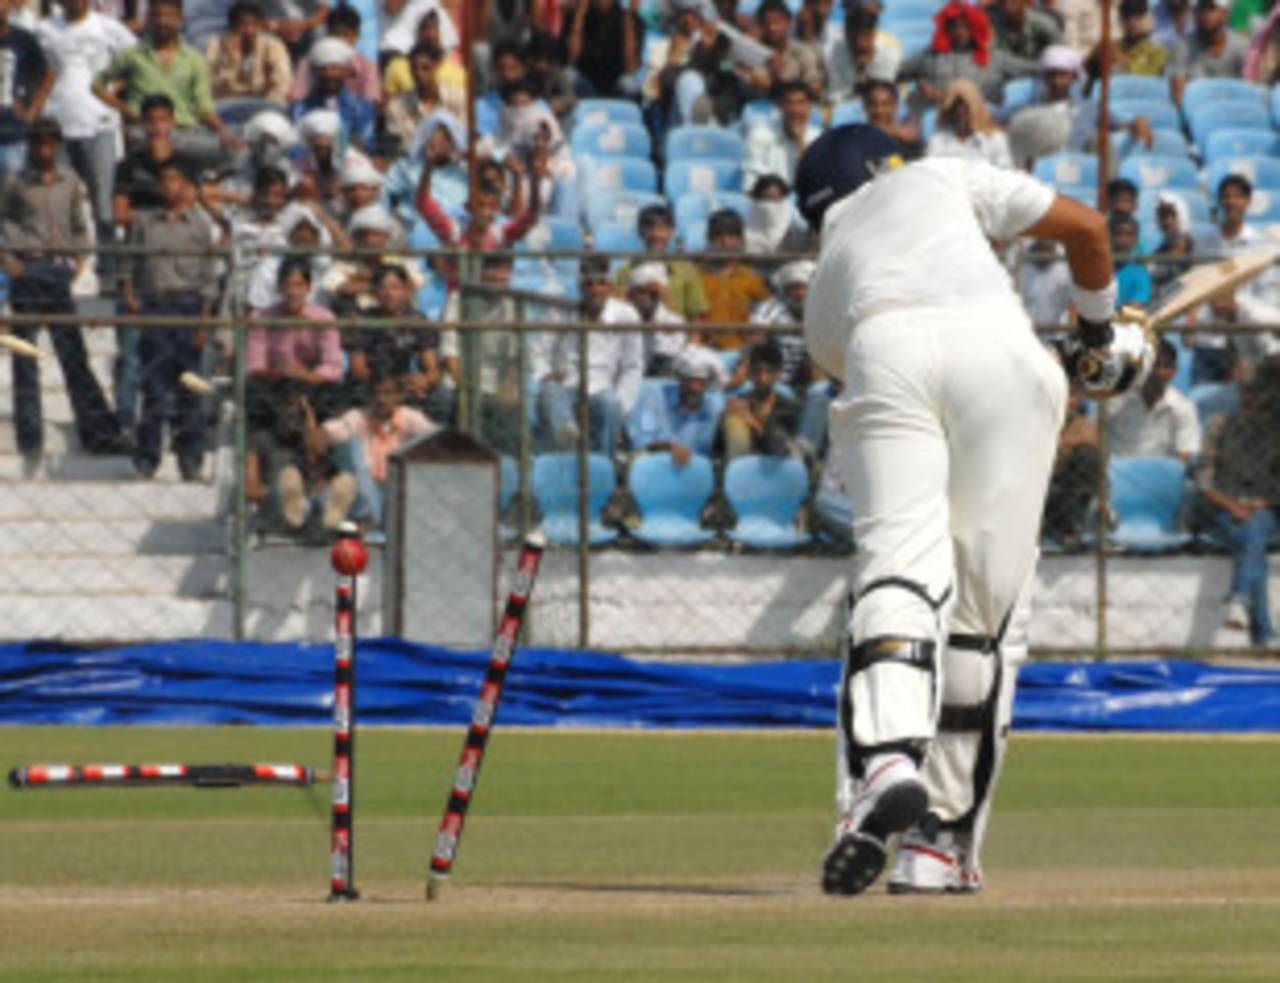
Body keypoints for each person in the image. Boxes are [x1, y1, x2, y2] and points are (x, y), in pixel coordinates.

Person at [795, 123, 1151, 895]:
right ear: (885, 162)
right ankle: (939, 847)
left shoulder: (824, 278)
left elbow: (882, 337)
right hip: (1003, 352)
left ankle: (886, 759)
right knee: (983, 619)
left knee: (899, 565)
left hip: (881, 347)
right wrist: (1100, 341)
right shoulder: (939, 175)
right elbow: (1087, 229)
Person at [0, 118, 129, 465]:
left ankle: (98, 434)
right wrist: (9, 260)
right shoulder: (16, 182)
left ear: (57, 146)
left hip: (57, 272)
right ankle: (30, 439)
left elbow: (79, 225)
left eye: (50, 144)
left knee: (73, 355)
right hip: (28, 268)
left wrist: (79, 261)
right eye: (39, 144)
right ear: (31, 146)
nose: (44, 150)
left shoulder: (70, 181)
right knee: (25, 357)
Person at [120, 157, 220, 480]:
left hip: (189, 307)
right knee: (154, 387)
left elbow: (209, 278)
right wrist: (130, 294)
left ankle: (190, 459)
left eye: (176, 180)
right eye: (164, 180)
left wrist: (204, 322)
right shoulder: (145, 224)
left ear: (188, 186)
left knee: (190, 388)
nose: (170, 187)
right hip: (156, 306)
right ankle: (147, 459)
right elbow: (129, 263)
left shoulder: (200, 226)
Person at [245, 256, 344, 533]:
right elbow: (254, 364)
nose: (293, 291)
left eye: (300, 284)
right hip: (274, 385)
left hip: (312, 385)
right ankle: (262, 478)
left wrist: (302, 375)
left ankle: (319, 468)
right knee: (255, 400)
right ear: (279, 288)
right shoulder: (262, 318)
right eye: (288, 285)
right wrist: (283, 373)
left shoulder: (323, 318)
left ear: (309, 287)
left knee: (334, 398)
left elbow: (332, 366)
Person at [92, 0, 243, 167]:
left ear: (180, 18)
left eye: (169, 16)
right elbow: (97, 85)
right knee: (158, 143)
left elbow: (204, 106)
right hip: (144, 130)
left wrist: (223, 132)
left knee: (235, 152)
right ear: (149, 18)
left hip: (184, 129)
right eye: (157, 16)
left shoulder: (193, 59)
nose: (162, 21)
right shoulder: (132, 54)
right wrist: (126, 110)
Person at [34, 0, 135, 246]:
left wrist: (113, 90)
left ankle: (108, 270)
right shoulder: (44, 29)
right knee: (59, 202)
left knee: (102, 201)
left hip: (99, 124)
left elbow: (137, 63)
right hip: (58, 126)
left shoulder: (110, 28)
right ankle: (63, 267)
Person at [1197, 358, 1280, 645]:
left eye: (1258, 393)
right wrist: (1233, 506)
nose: (1252, 399)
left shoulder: (1275, 432)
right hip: (1223, 510)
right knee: (1252, 540)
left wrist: (1262, 502)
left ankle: (1240, 601)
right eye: (1247, 392)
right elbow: (1203, 482)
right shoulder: (1218, 426)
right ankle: (1264, 632)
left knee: (1254, 529)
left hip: (1264, 510)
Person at [304, 371, 437, 535]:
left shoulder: (411, 419)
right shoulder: (358, 417)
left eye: (388, 394)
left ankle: (367, 521)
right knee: (349, 450)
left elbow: (438, 440)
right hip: (361, 489)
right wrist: (321, 454)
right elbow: (321, 436)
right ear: (368, 397)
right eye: (376, 394)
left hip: (394, 493)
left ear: (399, 396)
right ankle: (365, 516)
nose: (381, 399)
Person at [537, 258, 643, 453]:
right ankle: (569, 443)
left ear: (609, 286)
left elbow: (632, 366)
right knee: (549, 391)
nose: (595, 289)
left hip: (601, 387)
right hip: (566, 382)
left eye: (601, 283)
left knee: (611, 405)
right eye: (589, 284)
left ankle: (601, 466)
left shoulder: (626, 315)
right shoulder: (560, 310)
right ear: (580, 287)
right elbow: (539, 350)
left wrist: (622, 405)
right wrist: (546, 372)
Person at [626, 344, 726, 464]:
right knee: (639, 458)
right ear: (680, 378)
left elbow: (705, 452)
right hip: (653, 461)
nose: (693, 387)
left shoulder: (713, 407)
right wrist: (667, 447)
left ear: (708, 383)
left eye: (700, 382)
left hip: (691, 467)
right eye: (689, 379)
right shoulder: (653, 395)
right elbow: (641, 440)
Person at [1107, 337, 1200, 460]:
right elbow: (1094, 432)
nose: (1159, 372)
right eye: (1154, 365)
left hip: (1161, 475)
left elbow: (1185, 452)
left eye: (1166, 366)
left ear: (1174, 371)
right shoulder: (1116, 401)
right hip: (1118, 475)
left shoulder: (1183, 406)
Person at [613, 203, 709, 322]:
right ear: (640, 232)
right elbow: (616, 309)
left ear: (671, 232)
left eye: (661, 229)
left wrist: (693, 341)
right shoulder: (625, 272)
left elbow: (697, 314)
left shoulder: (686, 270)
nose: (655, 234)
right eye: (649, 228)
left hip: (676, 336)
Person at [694, 209, 772, 353]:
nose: (725, 242)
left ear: (741, 240)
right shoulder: (696, 276)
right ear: (708, 238)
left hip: (744, 351)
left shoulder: (751, 278)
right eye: (718, 236)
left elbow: (768, 311)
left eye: (731, 236)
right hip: (704, 350)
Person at [721, 337, 802, 458]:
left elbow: (778, 449)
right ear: (751, 373)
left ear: (778, 373)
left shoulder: (789, 407)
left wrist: (754, 422)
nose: (763, 378)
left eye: (769, 372)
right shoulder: (740, 402)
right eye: (758, 371)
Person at [0, 0, 53, 184]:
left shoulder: (23, 39)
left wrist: (33, 109)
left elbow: (48, 73)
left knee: (13, 193)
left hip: (13, 132)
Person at [289, 37, 376, 147]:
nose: (329, 74)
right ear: (315, 73)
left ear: (345, 71)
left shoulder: (361, 106)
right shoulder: (300, 107)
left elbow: (366, 142)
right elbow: (296, 144)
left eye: (335, 68)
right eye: (323, 69)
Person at [287, 4, 380, 106]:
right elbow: (297, 99)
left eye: (346, 35)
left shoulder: (367, 67)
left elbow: (370, 103)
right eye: (336, 35)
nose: (340, 41)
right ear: (327, 33)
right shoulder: (308, 63)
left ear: (356, 36)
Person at [203, 0, 293, 104]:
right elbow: (207, 81)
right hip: (227, 104)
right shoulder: (216, 45)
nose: (249, 30)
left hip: (263, 104)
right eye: (243, 25)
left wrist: (268, 103)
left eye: (254, 25)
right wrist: (229, 58)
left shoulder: (273, 45)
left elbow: (282, 81)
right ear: (232, 26)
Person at [743, 80, 822, 188]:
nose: (795, 110)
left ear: (810, 106)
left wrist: (800, 143)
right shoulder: (760, 135)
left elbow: (819, 183)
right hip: (769, 200)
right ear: (780, 107)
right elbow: (751, 183)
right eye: (789, 103)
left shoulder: (819, 138)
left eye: (801, 103)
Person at [1169, 0, 1250, 105]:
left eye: (1211, 8)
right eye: (1200, 8)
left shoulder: (1242, 46)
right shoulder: (1182, 46)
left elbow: (1249, 91)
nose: (1204, 13)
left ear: (1225, 14)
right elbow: (1178, 96)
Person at [926, 79, 1012, 168]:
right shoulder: (938, 143)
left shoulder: (995, 141)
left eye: (965, 106)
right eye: (955, 106)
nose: (960, 111)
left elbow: (1005, 173)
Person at [566, 0, 643, 98]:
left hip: (616, 83)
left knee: (631, 87)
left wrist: (629, 19)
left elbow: (631, 68)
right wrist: (580, 13)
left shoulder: (631, 20)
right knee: (568, 77)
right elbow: (572, 58)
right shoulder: (578, 16)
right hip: (586, 80)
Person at [1111, 212, 1152, 307]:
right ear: (1110, 237)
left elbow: (1140, 297)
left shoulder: (1139, 268)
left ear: (1135, 240)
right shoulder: (1102, 268)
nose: (1123, 239)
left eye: (1129, 234)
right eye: (1118, 234)